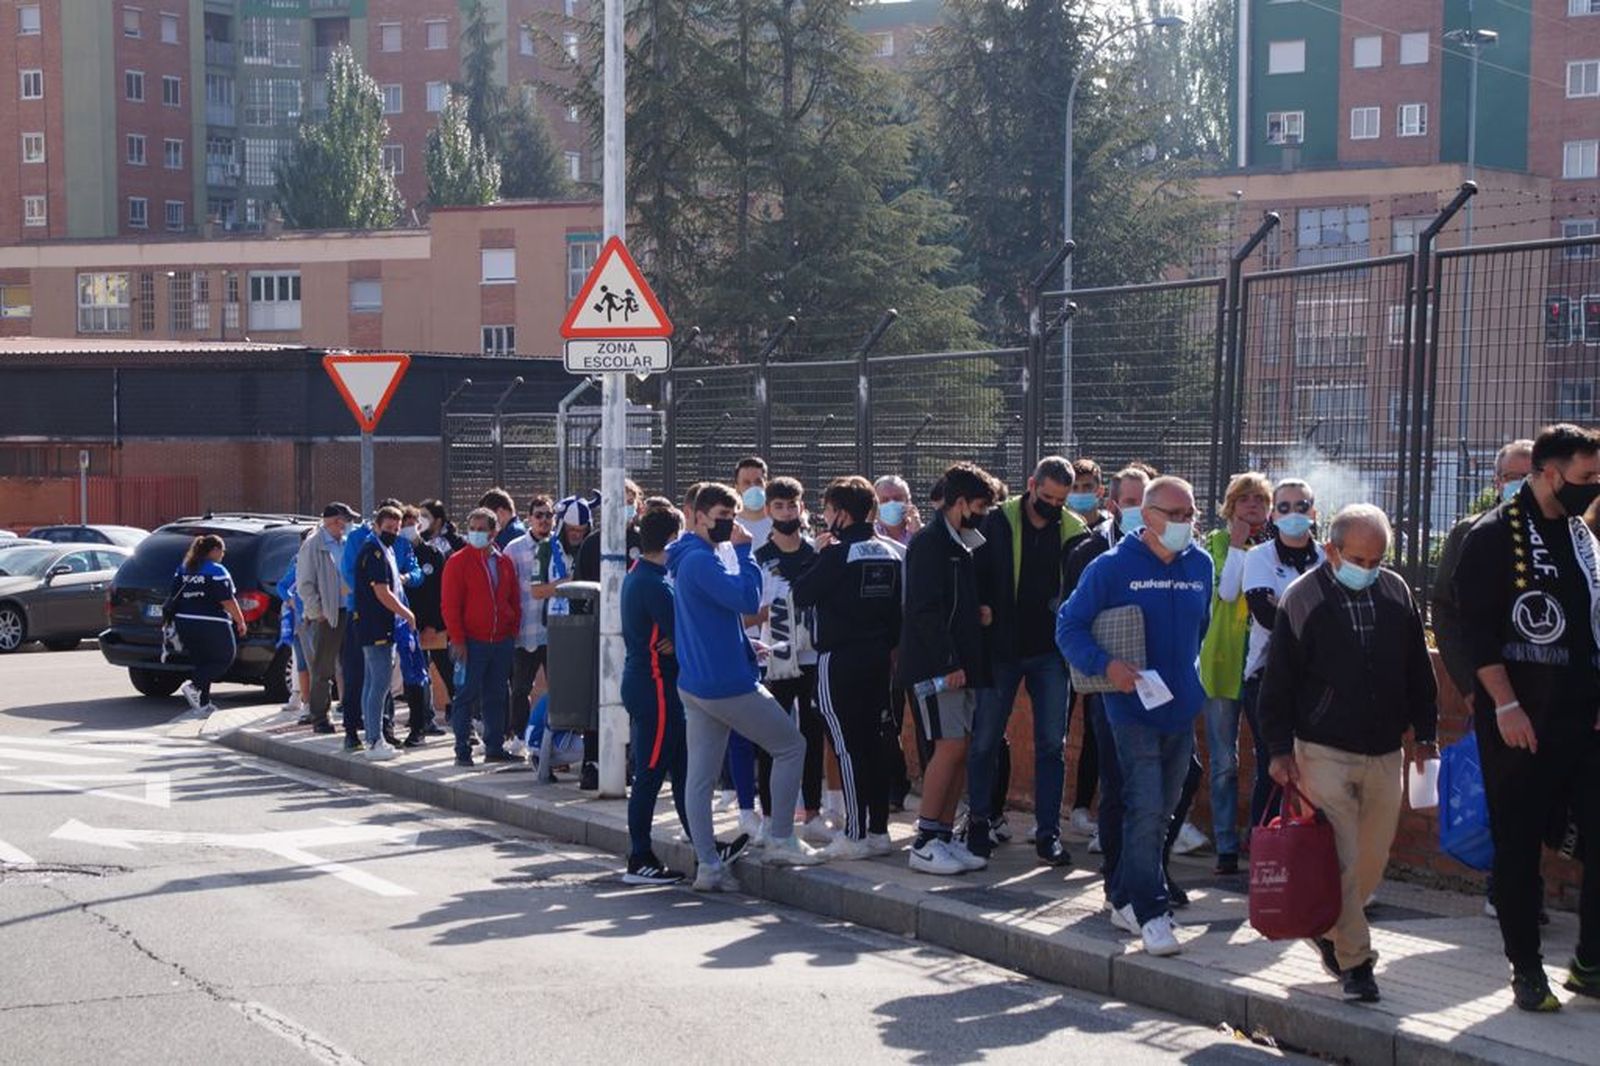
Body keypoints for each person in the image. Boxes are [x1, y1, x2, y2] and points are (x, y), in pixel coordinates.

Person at [1257, 503, 1437, 1004]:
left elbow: (1418, 669)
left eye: (1378, 557)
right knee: (1340, 857)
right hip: (1322, 748)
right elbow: (1279, 684)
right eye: (1359, 556)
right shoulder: (1301, 598)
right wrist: (1277, 749)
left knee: (1372, 859)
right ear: (1332, 550)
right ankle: (1357, 963)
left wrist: (1426, 734)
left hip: (1384, 749)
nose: (1370, 566)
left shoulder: (1396, 590)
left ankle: (1328, 924)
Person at [1457, 423, 1600, 1011]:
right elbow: (1473, 633)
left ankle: (1590, 964)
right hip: (1519, 721)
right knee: (1518, 848)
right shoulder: (1494, 535)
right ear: (1549, 473)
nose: (1594, 487)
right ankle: (1527, 970)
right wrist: (1505, 704)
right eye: (1586, 476)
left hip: (1582, 721)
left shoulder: (1582, 537)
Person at [1058, 475, 1211, 958]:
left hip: (1181, 708)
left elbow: (1199, 629)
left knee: (1162, 811)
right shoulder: (1111, 566)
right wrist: (1108, 667)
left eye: (1191, 515)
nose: (1185, 524)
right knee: (1145, 807)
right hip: (1129, 709)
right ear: (1147, 517)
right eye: (1175, 515)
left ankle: (1124, 895)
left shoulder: (1201, 565)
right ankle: (1151, 911)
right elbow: (1069, 626)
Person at [665, 481, 823, 892]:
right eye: (722, 518)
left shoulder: (689, 556)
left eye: (733, 518)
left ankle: (708, 866)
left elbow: (711, 615)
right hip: (726, 683)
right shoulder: (703, 559)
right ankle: (781, 837)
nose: (730, 525)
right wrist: (744, 554)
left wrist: (744, 643)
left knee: (699, 779)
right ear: (698, 517)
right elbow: (747, 600)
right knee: (791, 746)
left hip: (699, 680)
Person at [1430, 439, 1536, 921]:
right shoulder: (1471, 533)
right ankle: (1505, 885)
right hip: (1493, 690)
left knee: (1545, 795)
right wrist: (1470, 686)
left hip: (1550, 687)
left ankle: (1526, 882)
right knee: (1501, 790)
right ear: (1497, 483)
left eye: (1533, 474)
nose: (1523, 485)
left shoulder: (1566, 535)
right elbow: (1447, 614)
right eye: (1514, 476)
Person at [969, 455, 1085, 866]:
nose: (1051, 506)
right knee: (984, 739)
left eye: (1060, 500)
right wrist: (980, 609)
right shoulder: (997, 521)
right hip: (1001, 650)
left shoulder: (1073, 530)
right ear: (1032, 484)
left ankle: (1048, 833)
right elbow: (972, 572)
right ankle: (978, 823)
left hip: (1050, 652)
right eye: (1046, 496)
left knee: (1052, 745)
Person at [793, 475, 904, 860]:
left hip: (838, 659)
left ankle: (854, 835)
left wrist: (820, 554)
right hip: (878, 659)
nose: (824, 516)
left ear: (840, 513)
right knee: (873, 743)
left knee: (846, 745)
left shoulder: (837, 554)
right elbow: (896, 615)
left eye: (827, 509)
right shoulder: (889, 553)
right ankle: (877, 831)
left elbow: (802, 592)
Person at [900, 462, 1001, 877]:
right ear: (960, 503)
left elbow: (951, 604)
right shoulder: (929, 543)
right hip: (937, 667)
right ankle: (925, 839)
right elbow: (923, 610)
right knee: (950, 746)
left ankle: (942, 835)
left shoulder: (960, 543)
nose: (982, 514)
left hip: (963, 664)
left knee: (960, 748)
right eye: (979, 506)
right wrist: (950, 661)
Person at [1063, 466, 1149, 876]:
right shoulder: (1090, 553)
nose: (1140, 511)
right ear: (1113, 504)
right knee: (1117, 776)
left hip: (1160, 683)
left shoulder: (1180, 556)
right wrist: (1105, 665)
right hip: (1110, 681)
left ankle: (1151, 867)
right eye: (1131, 503)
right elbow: (1071, 622)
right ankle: (1119, 876)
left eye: (1145, 501)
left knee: (1179, 778)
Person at [1231, 478, 1323, 833]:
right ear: (1273, 514)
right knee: (1275, 762)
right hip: (1267, 676)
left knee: (1315, 766)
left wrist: (1289, 611)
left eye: (1301, 507)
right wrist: (1313, 626)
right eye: (1284, 507)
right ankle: (1263, 849)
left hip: (1316, 678)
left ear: (1313, 513)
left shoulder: (1325, 558)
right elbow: (1265, 615)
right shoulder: (1259, 556)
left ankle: (1306, 848)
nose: (1293, 514)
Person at [1198, 472, 1273, 875]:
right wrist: (1241, 545)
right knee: (1225, 760)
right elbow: (1228, 592)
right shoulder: (1213, 545)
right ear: (1230, 504)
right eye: (1245, 498)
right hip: (1223, 664)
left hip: (1262, 665)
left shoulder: (1276, 547)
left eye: (1260, 499)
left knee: (1270, 757)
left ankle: (1261, 838)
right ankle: (1226, 844)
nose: (1252, 506)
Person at [754, 476, 831, 845]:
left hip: (813, 655)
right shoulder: (760, 559)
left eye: (792, 505)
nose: (786, 512)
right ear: (768, 510)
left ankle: (813, 812)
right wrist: (776, 610)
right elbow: (747, 615)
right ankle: (770, 817)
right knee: (772, 735)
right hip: (776, 657)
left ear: (802, 507)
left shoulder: (816, 555)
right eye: (779, 506)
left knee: (813, 731)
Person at [620, 506, 692, 884]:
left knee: (682, 770)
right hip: (656, 685)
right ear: (672, 539)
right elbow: (688, 633)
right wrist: (680, 640)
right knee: (650, 771)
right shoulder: (655, 582)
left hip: (652, 683)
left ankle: (701, 839)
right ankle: (640, 855)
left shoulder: (643, 574)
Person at [441, 507, 522, 768]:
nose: (476, 534)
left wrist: (512, 629)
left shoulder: (503, 561)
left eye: (481, 529)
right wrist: (458, 639)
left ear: (493, 531)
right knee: (465, 694)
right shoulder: (458, 561)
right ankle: (462, 748)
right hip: (471, 642)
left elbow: (513, 599)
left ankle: (495, 746)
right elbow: (450, 605)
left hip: (500, 640)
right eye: (472, 529)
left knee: (497, 694)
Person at [353, 506, 415, 761]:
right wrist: (406, 613)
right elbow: (382, 592)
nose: (393, 532)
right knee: (379, 683)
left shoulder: (384, 549)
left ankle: (372, 736)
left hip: (378, 623)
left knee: (373, 682)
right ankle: (374, 739)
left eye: (396, 529)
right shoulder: (375, 552)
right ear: (377, 526)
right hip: (376, 624)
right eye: (388, 528)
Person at [295, 503, 356, 735]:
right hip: (326, 615)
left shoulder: (346, 543)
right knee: (323, 668)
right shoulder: (313, 545)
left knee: (351, 665)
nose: (348, 524)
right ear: (334, 521)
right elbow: (305, 583)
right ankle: (319, 716)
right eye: (345, 520)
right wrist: (316, 611)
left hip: (349, 611)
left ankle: (351, 711)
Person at [171, 534, 247, 714]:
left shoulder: (184, 568)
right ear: (214, 550)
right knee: (224, 657)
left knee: (202, 661)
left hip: (185, 621)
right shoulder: (217, 571)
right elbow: (227, 600)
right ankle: (194, 686)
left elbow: (174, 594)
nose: (223, 555)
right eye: (222, 551)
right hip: (212, 622)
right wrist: (240, 620)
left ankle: (203, 704)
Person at [506, 495, 558, 754]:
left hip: (555, 630)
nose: (544, 520)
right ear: (529, 518)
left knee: (559, 686)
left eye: (549, 515)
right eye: (539, 515)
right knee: (520, 688)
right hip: (524, 629)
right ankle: (520, 735)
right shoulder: (514, 549)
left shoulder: (559, 546)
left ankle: (556, 738)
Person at [418, 499, 464, 725]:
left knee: (447, 667)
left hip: (444, 618)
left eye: (425, 516)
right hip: (420, 616)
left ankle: (458, 711)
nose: (420, 521)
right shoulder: (418, 544)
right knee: (418, 669)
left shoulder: (454, 543)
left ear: (437, 520)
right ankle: (423, 716)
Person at [578, 479, 643, 581]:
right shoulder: (592, 542)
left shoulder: (643, 539)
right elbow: (580, 582)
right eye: (621, 502)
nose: (626, 507)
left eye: (630, 502)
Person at [734, 456, 773, 549]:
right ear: (737, 487)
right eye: (746, 483)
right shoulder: (731, 525)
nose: (753, 487)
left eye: (758, 482)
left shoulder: (779, 523)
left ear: (766, 484)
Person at [874, 474, 922, 547]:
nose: (891, 503)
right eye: (884, 500)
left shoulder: (924, 533)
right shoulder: (869, 535)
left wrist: (918, 534)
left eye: (897, 498)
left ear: (908, 501)